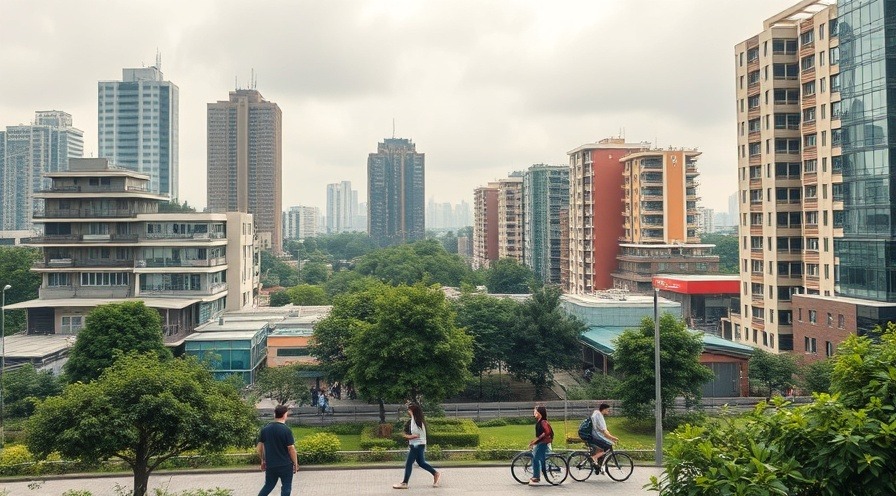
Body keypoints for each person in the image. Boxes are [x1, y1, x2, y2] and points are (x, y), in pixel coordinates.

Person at [393, 403, 441, 489]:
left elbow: (416, 435)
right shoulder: (416, 420)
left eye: (409, 410)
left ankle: (405, 483)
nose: (408, 411)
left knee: (408, 463)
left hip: (417, 445)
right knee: (421, 463)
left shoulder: (416, 421)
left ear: (412, 411)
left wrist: (405, 436)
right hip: (418, 445)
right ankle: (435, 473)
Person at [257, 404, 299, 496]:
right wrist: (295, 463)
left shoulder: (265, 430)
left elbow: (260, 448)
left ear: (274, 415)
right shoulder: (286, 430)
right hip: (285, 465)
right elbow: (291, 448)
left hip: (271, 465)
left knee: (268, 486)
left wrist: (263, 460)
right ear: (285, 415)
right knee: (286, 487)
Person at [527, 405, 553, 485]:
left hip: (544, 442)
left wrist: (537, 440)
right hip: (542, 441)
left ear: (539, 412)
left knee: (535, 457)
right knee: (539, 457)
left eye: (535, 411)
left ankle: (536, 477)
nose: (534, 412)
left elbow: (546, 432)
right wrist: (535, 441)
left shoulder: (543, 422)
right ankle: (543, 470)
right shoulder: (540, 421)